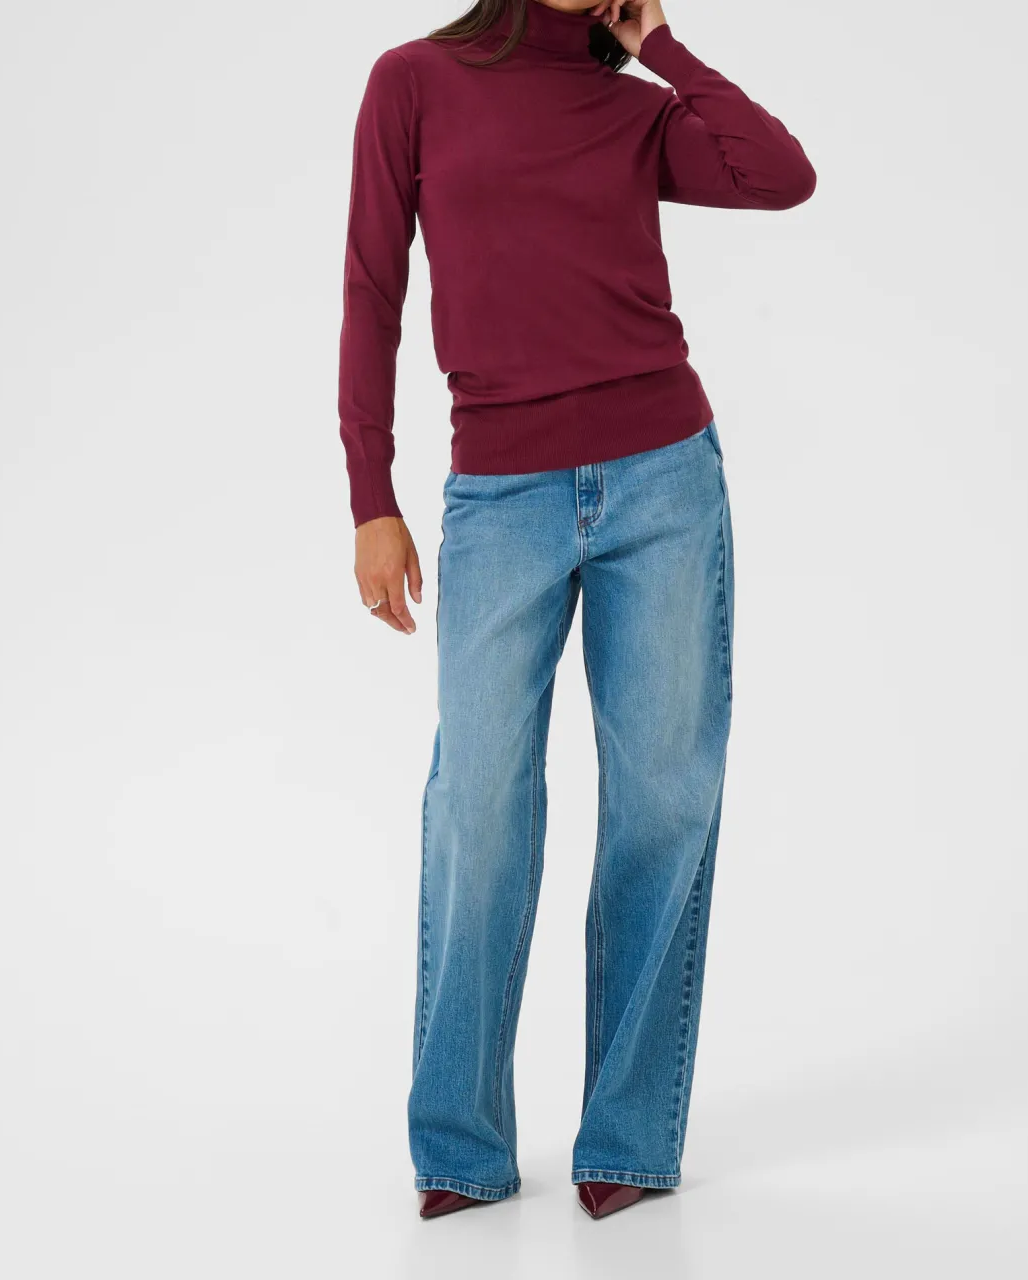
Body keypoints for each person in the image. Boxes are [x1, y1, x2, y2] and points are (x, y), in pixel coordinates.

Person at [338, 0, 815, 1220]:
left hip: (664, 479)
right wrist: (370, 496)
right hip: (499, 498)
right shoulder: (413, 81)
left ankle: (628, 1135)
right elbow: (372, 288)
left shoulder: (634, 108)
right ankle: (460, 1143)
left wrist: (656, 43)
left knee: (661, 800)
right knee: (477, 805)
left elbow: (780, 175)